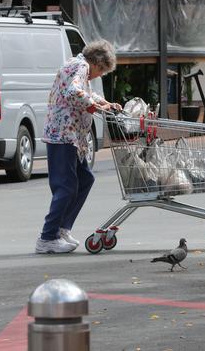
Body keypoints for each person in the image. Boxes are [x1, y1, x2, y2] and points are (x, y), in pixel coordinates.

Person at [36, 39, 121, 254]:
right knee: (65, 186)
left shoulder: (78, 65)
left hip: (70, 135)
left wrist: (103, 103)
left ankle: (61, 229)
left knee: (85, 179)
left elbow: (82, 91)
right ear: (96, 62)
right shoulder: (80, 66)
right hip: (63, 134)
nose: (99, 75)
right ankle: (48, 237)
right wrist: (93, 106)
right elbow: (73, 92)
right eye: (101, 70)